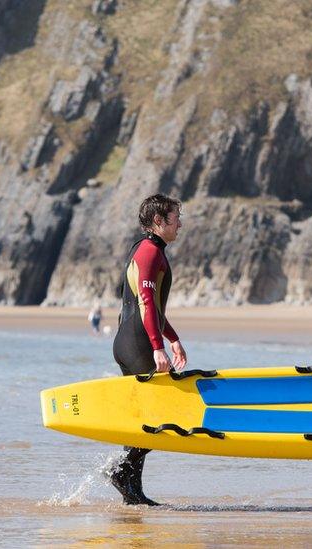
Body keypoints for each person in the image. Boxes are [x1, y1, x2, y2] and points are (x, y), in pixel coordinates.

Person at [109, 193, 188, 506]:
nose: (179, 224)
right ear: (159, 221)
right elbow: (145, 302)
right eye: (174, 218)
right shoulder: (150, 252)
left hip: (129, 341)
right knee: (158, 415)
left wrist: (173, 337)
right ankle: (120, 474)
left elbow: (152, 307)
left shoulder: (146, 249)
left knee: (145, 417)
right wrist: (158, 347)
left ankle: (132, 491)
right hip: (139, 344)